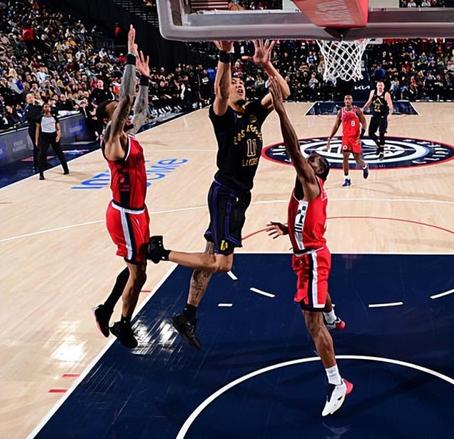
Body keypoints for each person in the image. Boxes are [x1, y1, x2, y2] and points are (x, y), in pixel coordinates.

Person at [146, 40, 290, 350]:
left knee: (209, 255)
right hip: (227, 194)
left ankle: (188, 314)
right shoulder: (223, 117)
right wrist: (225, 56)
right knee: (221, 263)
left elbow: (284, 92)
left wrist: (266, 65)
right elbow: (220, 93)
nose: (239, 86)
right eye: (233, 83)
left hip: (239, 196)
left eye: (241, 82)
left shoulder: (254, 112)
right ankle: (159, 252)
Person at [265, 78, 352, 416]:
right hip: (306, 256)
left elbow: (292, 147)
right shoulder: (309, 192)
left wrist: (281, 110)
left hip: (314, 259)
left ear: (317, 173)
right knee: (315, 307)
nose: (307, 160)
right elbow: (309, 225)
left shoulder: (311, 183)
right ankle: (333, 315)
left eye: (312, 161)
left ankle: (337, 384)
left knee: (311, 326)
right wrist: (288, 229)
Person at [92, 26, 152, 348]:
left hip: (138, 211)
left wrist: (146, 81)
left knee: (136, 268)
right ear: (109, 119)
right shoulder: (111, 140)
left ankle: (105, 309)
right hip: (124, 214)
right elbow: (127, 99)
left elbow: (141, 111)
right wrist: (129, 57)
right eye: (116, 110)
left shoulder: (129, 134)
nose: (123, 110)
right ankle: (122, 323)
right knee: (139, 272)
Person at [326, 94, 368, 187]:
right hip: (346, 138)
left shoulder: (357, 110)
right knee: (345, 157)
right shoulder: (340, 112)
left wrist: (361, 136)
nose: (347, 100)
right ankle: (347, 178)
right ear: (344, 101)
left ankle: (364, 166)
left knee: (357, 159)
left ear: (352, 100)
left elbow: (364, 123)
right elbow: (336, 126)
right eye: (346, 99)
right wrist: (330, 137)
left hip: (355, 138)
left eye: (349, 99)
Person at [35, 103, 69, 180]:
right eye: (45, 107)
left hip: (53, 135)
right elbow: (37, 130)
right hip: (44, 136)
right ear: (43, 108)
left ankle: (66, 169)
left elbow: (58, 128)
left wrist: (58, 136)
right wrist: (36, 140)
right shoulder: (39, 118)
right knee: (41, 155)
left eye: (48, 107)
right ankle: (41, 174)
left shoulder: (54, 117)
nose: (47, 108)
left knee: (60, 153)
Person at [362, 81, 393, 160]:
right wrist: (363, 109)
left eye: (381, 85)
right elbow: (369, 102)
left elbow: (391, 106)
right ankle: (379, 145)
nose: (380, 87)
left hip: (383, 116)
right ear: (376, 86)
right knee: (370, 133)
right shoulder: (373, 92)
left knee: (381, 133)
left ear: (383, 87)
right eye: (379, 85)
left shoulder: (386, 94)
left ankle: (382, 152)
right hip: (375, 115)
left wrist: (389, 115)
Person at [24, 93, 42, 171]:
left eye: (32, 97)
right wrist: (40, 117)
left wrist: (40, 103)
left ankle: (42, 162)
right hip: (33, 128)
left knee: (42, 145)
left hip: (40, 128)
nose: (31, 99)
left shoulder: (37, 106)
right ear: (27, 100)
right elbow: (32, 117)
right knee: (36, 145)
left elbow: (44, 111)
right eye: (29, 98)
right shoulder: (27, 108)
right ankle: (36, 164)